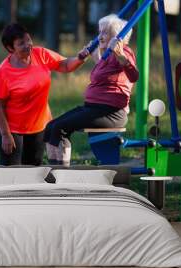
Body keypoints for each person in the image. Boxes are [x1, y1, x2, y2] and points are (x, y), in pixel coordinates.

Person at [43, 14, 139, 166]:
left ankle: (60, 172)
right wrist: (94, 56)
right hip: (93, 108)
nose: (99, 37)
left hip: (110, 113)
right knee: (50, 128)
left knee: (60, 128)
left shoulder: (124, 52)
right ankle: (53, 169)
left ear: (116, 37)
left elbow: (133, 75)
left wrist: (120, 54)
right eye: (99, 32)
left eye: (105, 33)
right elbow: (106, 75)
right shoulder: (107, 57)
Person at [0, 23, 86, 166]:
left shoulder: (40, 54)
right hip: (13, 130)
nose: (28, 45)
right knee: (11, 173)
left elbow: (66, 65)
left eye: (28, 39)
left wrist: (80, 59)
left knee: (34, 170)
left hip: (40, 126)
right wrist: (5, 134)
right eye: (21, 43)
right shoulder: (2, 73)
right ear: (10, 48)